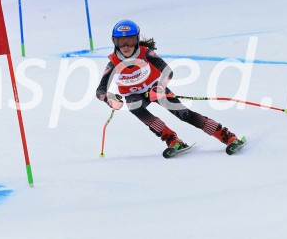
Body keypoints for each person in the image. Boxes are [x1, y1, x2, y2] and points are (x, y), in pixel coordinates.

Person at [96, 19, 242, 155]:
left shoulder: (145, 53)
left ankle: (226, 136)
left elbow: (167, 71)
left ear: (137, 39)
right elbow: (100, 90)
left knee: (184, 114)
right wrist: (109, 99)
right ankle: (171, 139)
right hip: (134, 95)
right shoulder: (113, 62)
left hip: (155, 89)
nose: (126, 46)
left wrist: (160, 88)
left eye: (130, 41)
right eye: (121, 42)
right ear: (114, 41)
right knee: (134, 106)